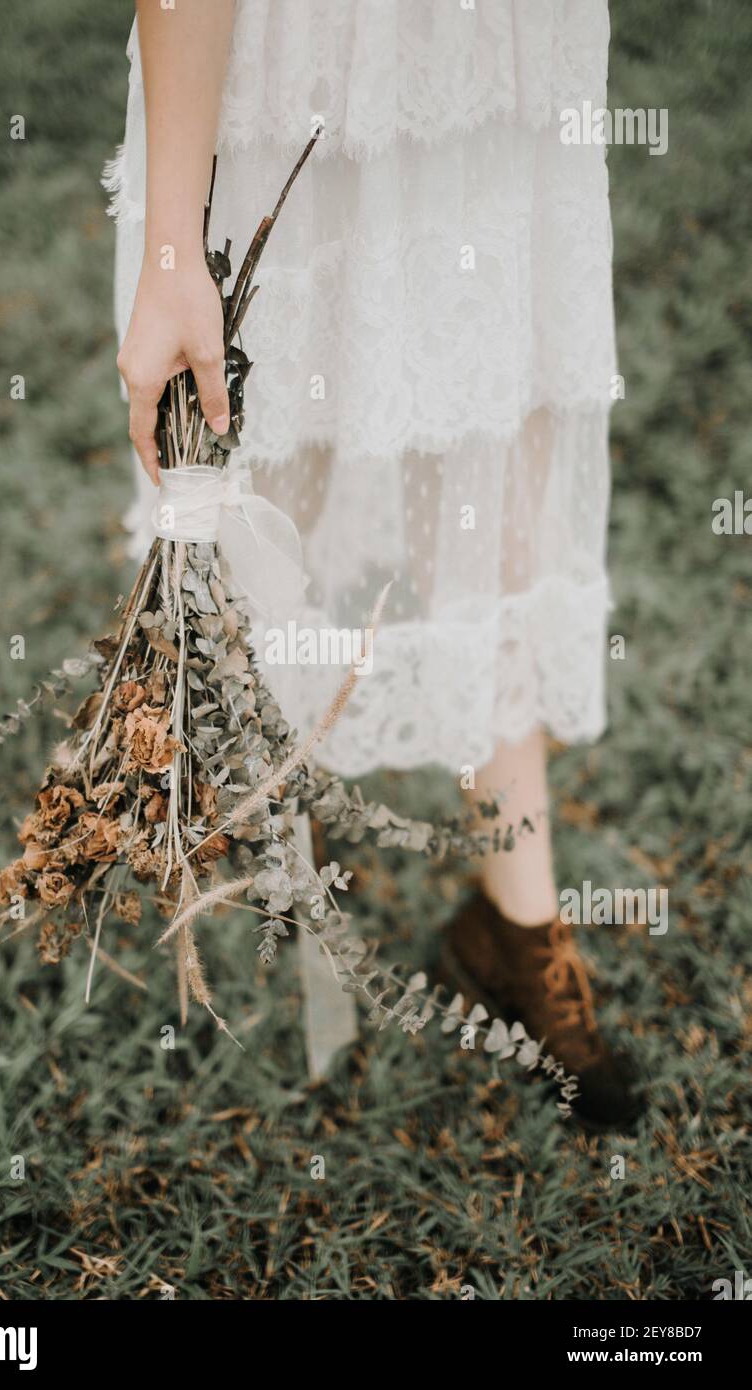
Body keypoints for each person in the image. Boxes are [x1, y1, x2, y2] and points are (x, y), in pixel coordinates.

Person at [107, 0, 641, 1130]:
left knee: (497, 470)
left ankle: (516, 920)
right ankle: (259, 870)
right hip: (293, 66)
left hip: (489, 65)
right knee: (265, 459)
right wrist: (171, 253)